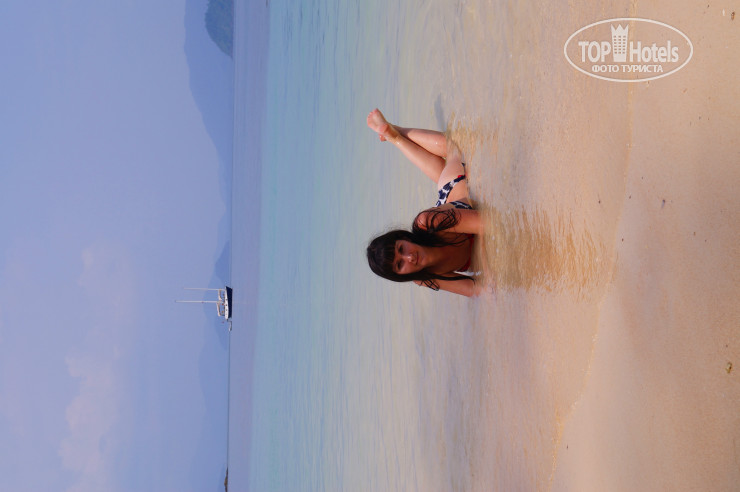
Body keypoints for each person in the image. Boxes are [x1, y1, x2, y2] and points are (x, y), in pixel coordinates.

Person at [366, 109, 483, 297]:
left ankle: (396, 134)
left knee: (453, 149)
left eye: (401, 248)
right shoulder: (425, 277)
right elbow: (475, 290)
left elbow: (488, 224)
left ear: (404, 238)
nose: (409, 257)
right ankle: (392, 134)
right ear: (400, 275)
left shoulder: (428, 221)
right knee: (439, 170)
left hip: (455, 190)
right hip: (447, 214)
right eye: (399, 264)